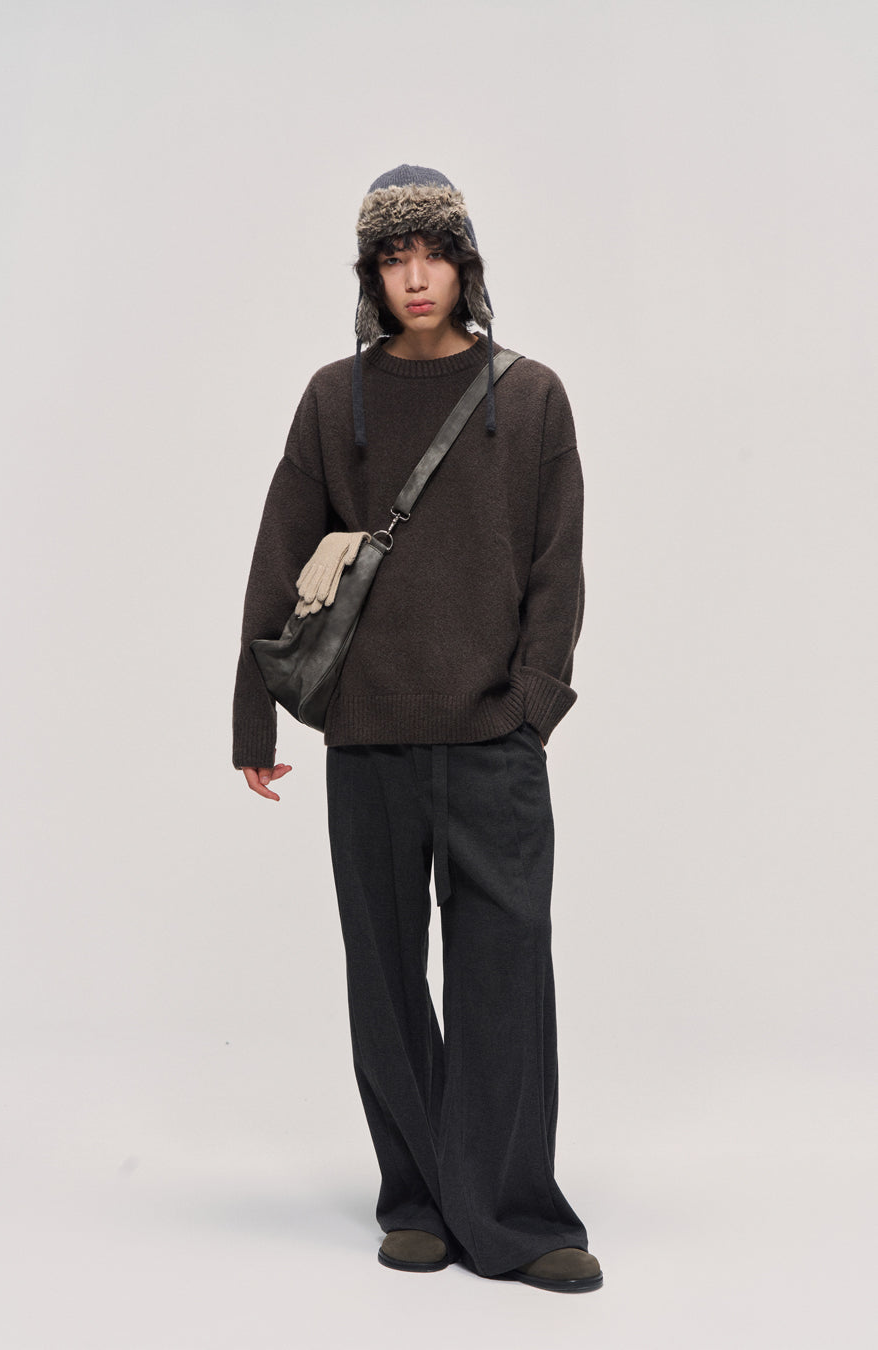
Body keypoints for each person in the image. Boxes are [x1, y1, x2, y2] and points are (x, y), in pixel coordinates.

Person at [231, 164, 602, 1294]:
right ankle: (420, 1198)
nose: (418, 275)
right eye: (395, 258)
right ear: (372, 277)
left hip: (495, 738)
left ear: (466, 261)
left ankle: (516, 1213)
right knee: (385, 975)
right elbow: (279, 552)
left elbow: (558, 565)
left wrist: (533, 703)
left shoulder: (531, 397)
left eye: (435, 252)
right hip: (371, 738)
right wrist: (254, 718)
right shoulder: (330, 399)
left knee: (505, 976)